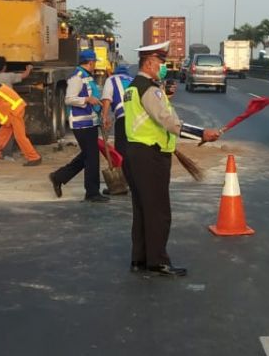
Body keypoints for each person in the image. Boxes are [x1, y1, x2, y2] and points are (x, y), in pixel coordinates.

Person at [123, 41, 221, 277]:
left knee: (142, 209)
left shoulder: (133, 87)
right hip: (150, 155)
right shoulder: (149, 89)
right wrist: (201, 134)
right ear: (149, 62)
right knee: (158, 210)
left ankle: (140, 258)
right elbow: (167, 121)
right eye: (161, 62)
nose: (163, 67)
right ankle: (158, 261)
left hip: (135, 153)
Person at [48, 49, 109, 202]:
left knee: (87, 156)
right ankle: (92, 192)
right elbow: (69, 99)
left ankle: (59, 176)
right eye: (94, 62)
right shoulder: (77, 77)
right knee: (91, 157)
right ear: (90, 62)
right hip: (81, 124)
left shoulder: (87, 77)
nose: (95, 65)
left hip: (90, 122)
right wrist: (87, 100)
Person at [0, 56, 42, 166]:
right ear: (4, 67)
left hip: (13, 110)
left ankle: (34, 157)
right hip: (11, 108)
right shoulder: (7, 77)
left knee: (19, 136)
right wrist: (28, 69)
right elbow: (24, 75)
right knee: (4, 132)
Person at [100, 63, 133, 180]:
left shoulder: (111, 79)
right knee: (133, 149)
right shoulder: (132, 80)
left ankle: (122, 179)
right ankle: (133, 179)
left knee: (121, 149)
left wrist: (104, 116)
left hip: (123, 118)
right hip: (137, 120)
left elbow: (107, 98)